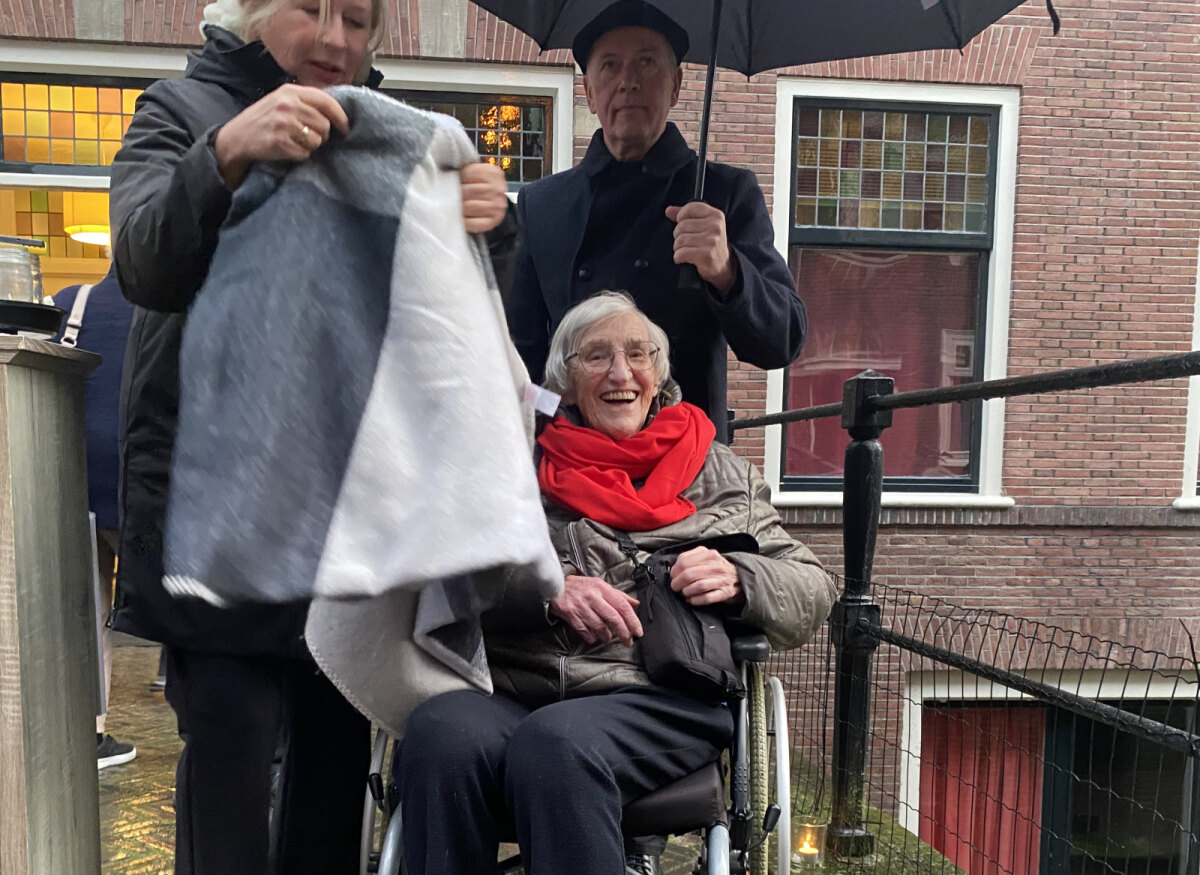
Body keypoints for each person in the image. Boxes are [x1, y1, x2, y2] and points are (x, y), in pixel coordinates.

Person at [107, 0, 512, 872]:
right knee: (231, 761)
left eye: (359, 19)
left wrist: (489, 234)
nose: (335, 39)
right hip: (215, 509)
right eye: (311, 9)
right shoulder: (182, 110)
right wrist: (224, 155)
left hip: (344, 512)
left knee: (332, 774)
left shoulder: (400, 138)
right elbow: (142, 262)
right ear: (257, 13)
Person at [398, 292, 837, 875]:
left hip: (659, 697)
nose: (621, 373)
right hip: (513, 686)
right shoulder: (512, 466)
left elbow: (813, 585)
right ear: (565, 379)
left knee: (555, 746)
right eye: (596, 357)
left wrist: (741, 576)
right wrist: (545, 589)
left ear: (658, 374)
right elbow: (442, 571)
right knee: (437, 736)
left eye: (638, 354)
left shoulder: (721, 473)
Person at [505, 0, 807, 444]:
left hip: (685, 466)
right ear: (588, 90)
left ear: (676, 85)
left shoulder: (725, 194)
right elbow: (520, 359)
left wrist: (727, 271)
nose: (628, 81)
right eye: (610, 66)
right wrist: (551, 432)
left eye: (647, 63)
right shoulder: (542, 204)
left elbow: (783, 342)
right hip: (576, 465)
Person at [50, 263, 139, 770]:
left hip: (76, 482)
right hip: (145, 489)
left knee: (86, 616)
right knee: (181, 611)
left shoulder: (71, 301)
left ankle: (92, 734)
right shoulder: (172, 306)